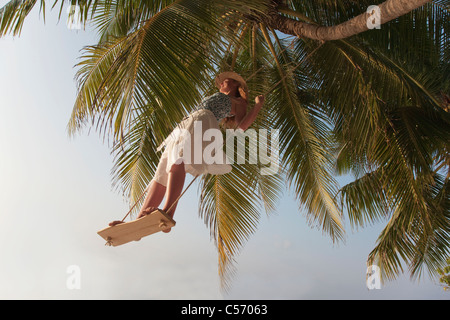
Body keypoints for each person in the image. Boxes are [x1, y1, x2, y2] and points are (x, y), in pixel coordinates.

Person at [109, 72, 265, 232]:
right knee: (162, 172)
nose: (220, 83)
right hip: (187, 122)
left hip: (203, 121)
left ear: (235, 84)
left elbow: (241, 127)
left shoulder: (239, 102)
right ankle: (139, 221)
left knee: (179, 159)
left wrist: (257, 105)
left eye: (224, 81)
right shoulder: (218, 94)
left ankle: (168, 211)